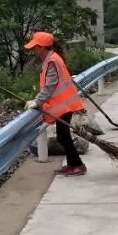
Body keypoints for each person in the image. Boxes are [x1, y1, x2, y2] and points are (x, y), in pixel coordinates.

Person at [24, 31, 88, 176]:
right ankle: (73, 164)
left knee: (63, 136)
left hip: (65, 105)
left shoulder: (52, 61)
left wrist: (37, 101)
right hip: (65, 105)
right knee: (62, 136)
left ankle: (77, 165)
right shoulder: (52, 58)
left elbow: (50, 86)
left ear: (41, 47)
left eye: (35, 46)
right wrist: (38, 100)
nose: (34, 49)